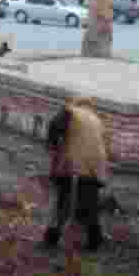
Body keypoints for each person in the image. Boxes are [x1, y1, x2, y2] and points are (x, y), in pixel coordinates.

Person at [41, 97, 109, 252]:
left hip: (72, 163)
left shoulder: (69, 111)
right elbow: (104, 143)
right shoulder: (96, 119)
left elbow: (53, 129)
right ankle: (94, 241)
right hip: (96, 165)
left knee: (62, 201)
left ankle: (51, 238)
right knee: (90, 203)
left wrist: (53, 149)